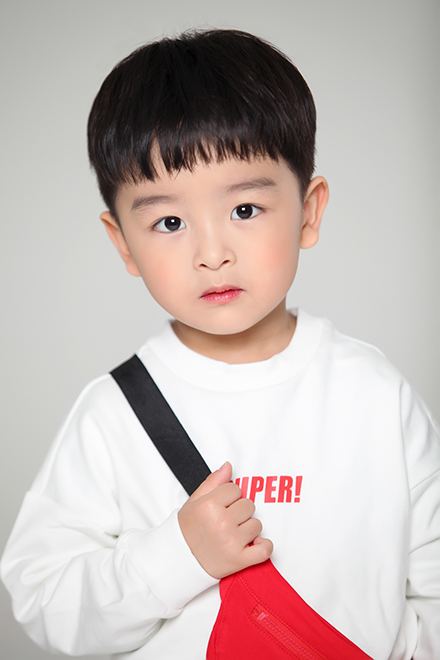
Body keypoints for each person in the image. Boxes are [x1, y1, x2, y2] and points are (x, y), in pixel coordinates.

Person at [1, 28, 439, 660]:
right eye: (169, 222)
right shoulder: (113, 413)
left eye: (245, 210)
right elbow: (43, 597)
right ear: (123, 243)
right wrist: (175, 558)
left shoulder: (374, 394)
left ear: (309, 210)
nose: (212, 253)